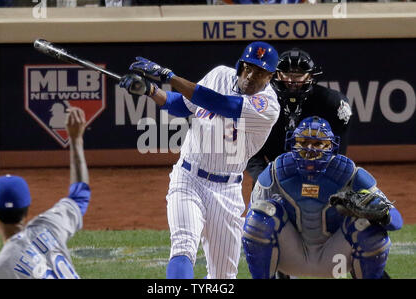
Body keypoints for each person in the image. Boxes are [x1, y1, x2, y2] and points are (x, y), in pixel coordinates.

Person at [119, 41, 280, 278]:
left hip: (227, 192)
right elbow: (183, 106)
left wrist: (168, 76)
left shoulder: (268, 105)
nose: (252, 76)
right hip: (188, 178)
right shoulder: (219, 75)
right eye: (249, 68)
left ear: (270, 77)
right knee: (183, 245)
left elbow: (222, 104)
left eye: (260, 72)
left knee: (223, 276)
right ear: (241, 66)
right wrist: (151, 91)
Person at [242, 116, 403, 279]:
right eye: (304, 143)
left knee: (367, 226)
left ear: (331, 147)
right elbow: (252, 217)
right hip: (291, 255)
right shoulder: (276, 171)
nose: (310, 149)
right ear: (293, 144)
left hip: (335, 258)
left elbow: (397, 221)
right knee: (261, 215)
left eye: (318, 144)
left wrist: (380, 213)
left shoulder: (350, 173)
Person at [0, 107, 90, 279]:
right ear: (27, 209)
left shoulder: (1, 268)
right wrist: (76, 139)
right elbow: (80, 195)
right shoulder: (48, 227)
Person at [246, 48, 352, 185]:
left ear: (310, 76)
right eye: (287, 73)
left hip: (319, 170)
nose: (292, 80)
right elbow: (249, 149)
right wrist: (264, 177)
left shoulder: (333, 103)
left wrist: (329, 177)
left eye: (298, 74)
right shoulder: (259, 102)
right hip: (273, 172)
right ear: (276, 74)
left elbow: (338, 149)